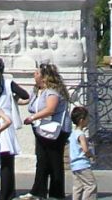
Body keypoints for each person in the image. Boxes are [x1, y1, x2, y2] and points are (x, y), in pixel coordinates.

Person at [21, 62, 71, 200]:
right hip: (42, 129)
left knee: (54, 161)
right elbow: (28, 101)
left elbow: (50, 109)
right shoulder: (38, 90)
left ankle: (56, 193)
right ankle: (38, 191)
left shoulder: (52, 92)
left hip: (56, 130)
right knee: (42, 160)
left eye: (36, 73)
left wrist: (32, 118)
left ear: (44, 77)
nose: (34, 75)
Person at [0, 56, 29, 200]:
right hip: (6, 122)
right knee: (7, 163)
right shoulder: (9, 83)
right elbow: (25, 94)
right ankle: (8, 193)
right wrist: (14, 98)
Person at [68, 106, 96, 200]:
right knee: (91, 185)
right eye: (87, 119)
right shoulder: (81, 134)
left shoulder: (72, 133)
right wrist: (91, 155)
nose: (88, 121)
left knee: (78, 187)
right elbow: (85, 149)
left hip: (74, 165)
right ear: (81, 120)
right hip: (83, 165)